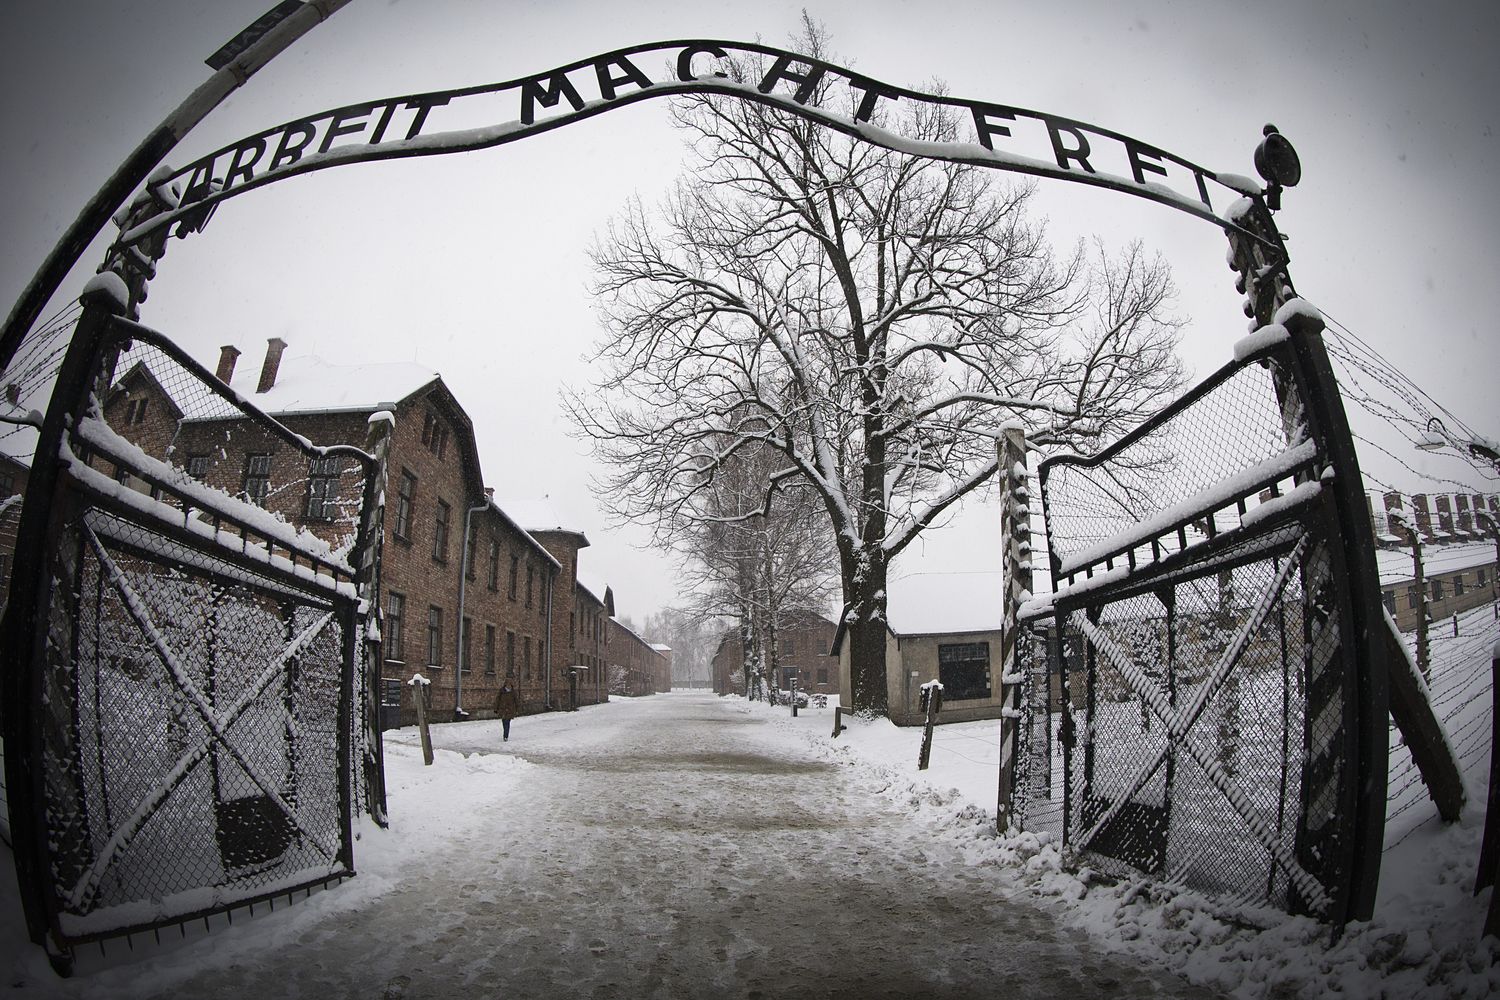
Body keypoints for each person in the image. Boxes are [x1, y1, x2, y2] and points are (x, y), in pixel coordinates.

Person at [494, 678, 520, 742]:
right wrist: (496, 708)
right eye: (507, 684)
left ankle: (505, 736)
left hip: (510, 710)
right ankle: (505, 734)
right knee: (504, 722)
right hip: (502, 709)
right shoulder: (501, 691)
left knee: (507, 722)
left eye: (510, 684)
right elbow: (497, 700)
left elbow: (516, 701)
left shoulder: (513, 692)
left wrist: (517, 709)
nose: (508, 685)